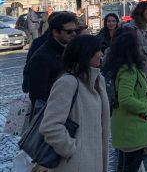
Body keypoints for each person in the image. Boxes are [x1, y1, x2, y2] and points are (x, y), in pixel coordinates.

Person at [38, 34, 109, 172]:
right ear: (86, 53)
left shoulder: (99, 80)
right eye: (97, 50)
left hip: (95, 162)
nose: (101, 54)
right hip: (75, 165)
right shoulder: (67, 83)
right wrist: (72, 150)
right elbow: (50, 126)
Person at [103, 30, 147, 172]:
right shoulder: (128, 71)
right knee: (131, 165)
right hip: (133, 124)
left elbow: (136, 90)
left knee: (126, 164)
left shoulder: (123, 67)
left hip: (129, 123)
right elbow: (126, 98)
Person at [26, 12, 80, 107]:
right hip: (55, 113)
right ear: (55, 32)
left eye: (76, 30)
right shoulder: (42, 58)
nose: (74, 34)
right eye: (69, 31)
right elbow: (38, 98)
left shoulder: (72, 50)